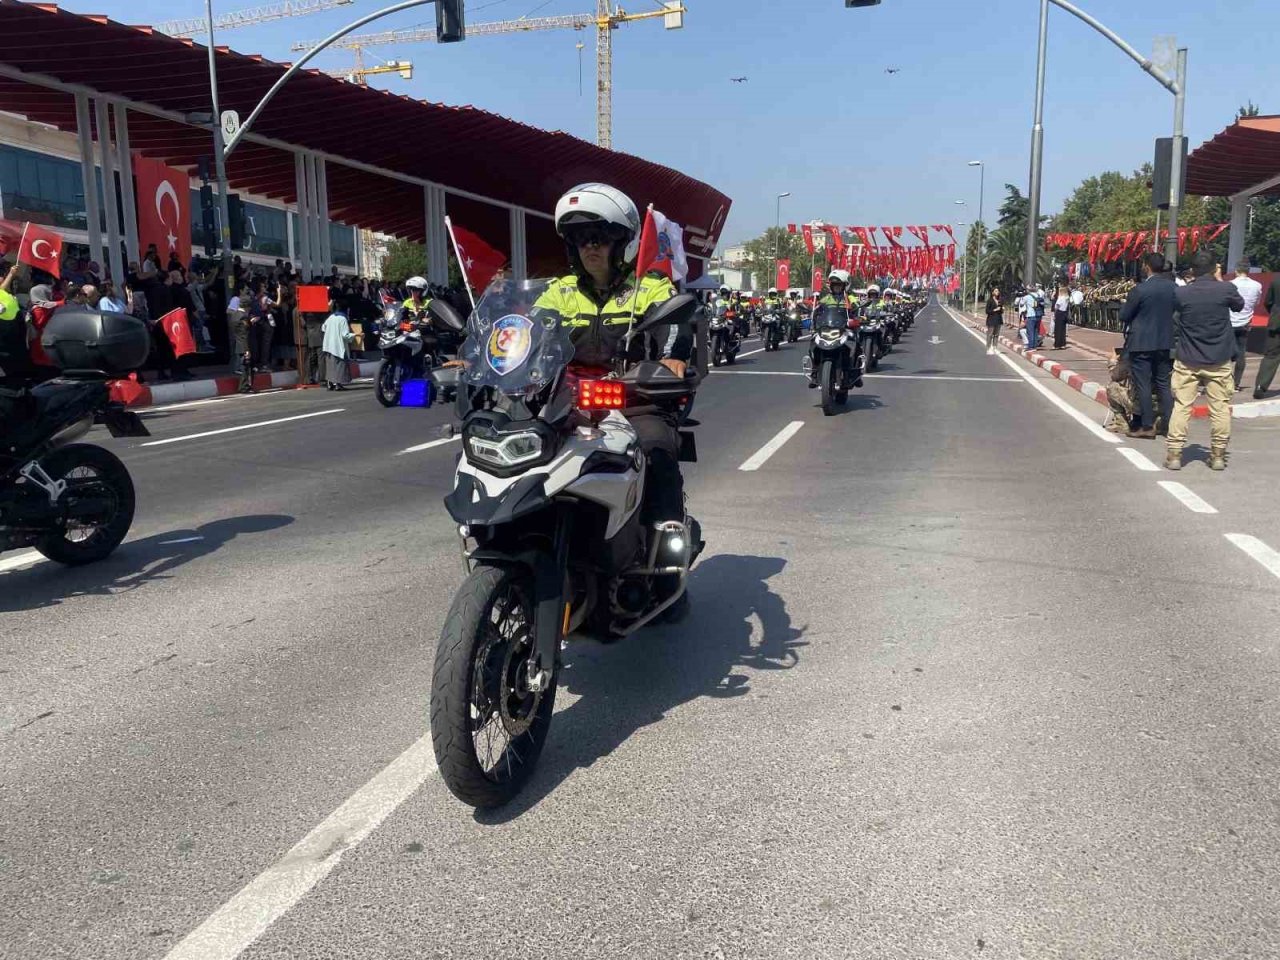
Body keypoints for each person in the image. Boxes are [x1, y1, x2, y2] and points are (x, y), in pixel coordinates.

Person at [532, 182, 691, 528]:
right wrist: (485, 356)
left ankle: (666, 537)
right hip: (564, 399)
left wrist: (670, 357)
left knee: (655, 446)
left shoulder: (649, 288)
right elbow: (524, 330)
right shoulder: (559, 292)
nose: (589, 246)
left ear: (622, 242)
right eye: (580, 238)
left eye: (599, 236)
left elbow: (676, 323)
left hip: (632, 395)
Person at [1167, 251, 1245, 471]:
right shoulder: (1226, 289)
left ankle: (1174, 454)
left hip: (1188, 358)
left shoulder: (1182, 293)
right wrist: (1219, 279)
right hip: (1218, 359)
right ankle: (1218, 455)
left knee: (1182, 406)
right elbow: (1239, 306)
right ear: (1214, 268)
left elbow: (1176, 314)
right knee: (1220, 408)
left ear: (1192, 270)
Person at [1117, 253, 1176, 440]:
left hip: (1141, 343)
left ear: (1147, 267)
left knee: (1142, 384)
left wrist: (1125, 306)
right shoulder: (1174, 288)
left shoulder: (1140, 290)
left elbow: (1124, 316)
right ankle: (1170, 424)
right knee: (1163, 384)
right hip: (1165, 342)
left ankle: (1147, 426)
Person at [1226, 262, 1262, 392]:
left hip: (1229, 321)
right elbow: (1257, 302)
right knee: (1241, 352)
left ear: (1236, 270)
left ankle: (1224, 381)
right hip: (1246, 321)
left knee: (1225, 353)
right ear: (1249, 271)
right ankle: (1236, 383)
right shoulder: (1257, 285)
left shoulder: (1230, 284)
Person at [1252, 272, 1280, 399]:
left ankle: (1261, 386)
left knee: (1270, 356)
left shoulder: (1276, 281)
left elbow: (1268, 302)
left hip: (1276, 322)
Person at [320, 299, 355, 390]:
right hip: (338, 346)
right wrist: (356, 335)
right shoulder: (343, 319)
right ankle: (338, 385)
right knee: (339, 366)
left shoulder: (331, 317)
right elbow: (345, 335)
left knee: (330, 366)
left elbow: (323, 328)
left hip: (328, 345)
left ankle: (330, 383)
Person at [984, 286, 1004, 354]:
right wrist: (994, 310)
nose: (997, 292)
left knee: (996, 335)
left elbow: (1001, 311)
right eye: (995, 291)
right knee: (990, 334)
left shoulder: (1000, 300)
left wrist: (1002, 309)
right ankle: (988, 348)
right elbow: (987, 311)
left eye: (998, 291)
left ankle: (994, 347)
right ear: (992, 292)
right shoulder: (990, 301)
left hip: (998, 319)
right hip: (991, 320)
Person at [1052, 284, 1069, 349]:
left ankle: (1057, 344)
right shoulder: (1067, 298)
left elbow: (1057, 306)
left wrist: (1054, 315)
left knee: (1057, 329)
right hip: (1064, 313)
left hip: (1059, 313)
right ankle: (1063, 344)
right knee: (1063, 330)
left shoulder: (1061, 298)